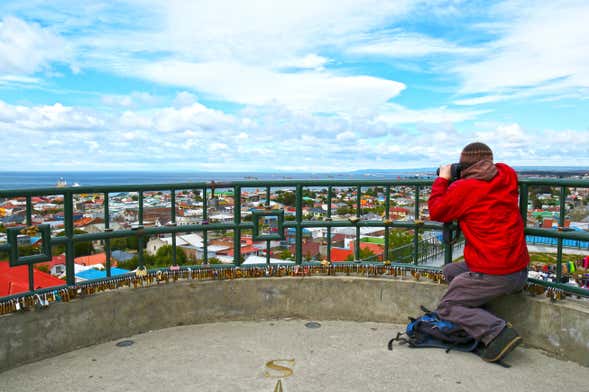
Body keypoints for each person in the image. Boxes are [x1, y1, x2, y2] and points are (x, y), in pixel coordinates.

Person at [428, 142, 529, 363]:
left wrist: (443, 179)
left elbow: (436, 211)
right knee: (451, 271)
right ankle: (477, 317)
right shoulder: (507, 175)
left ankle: (498, 332)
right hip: (518, 269)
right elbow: (497, 169)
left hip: (495, 272)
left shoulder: (464, 188)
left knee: (447, 307)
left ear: (463, 166)